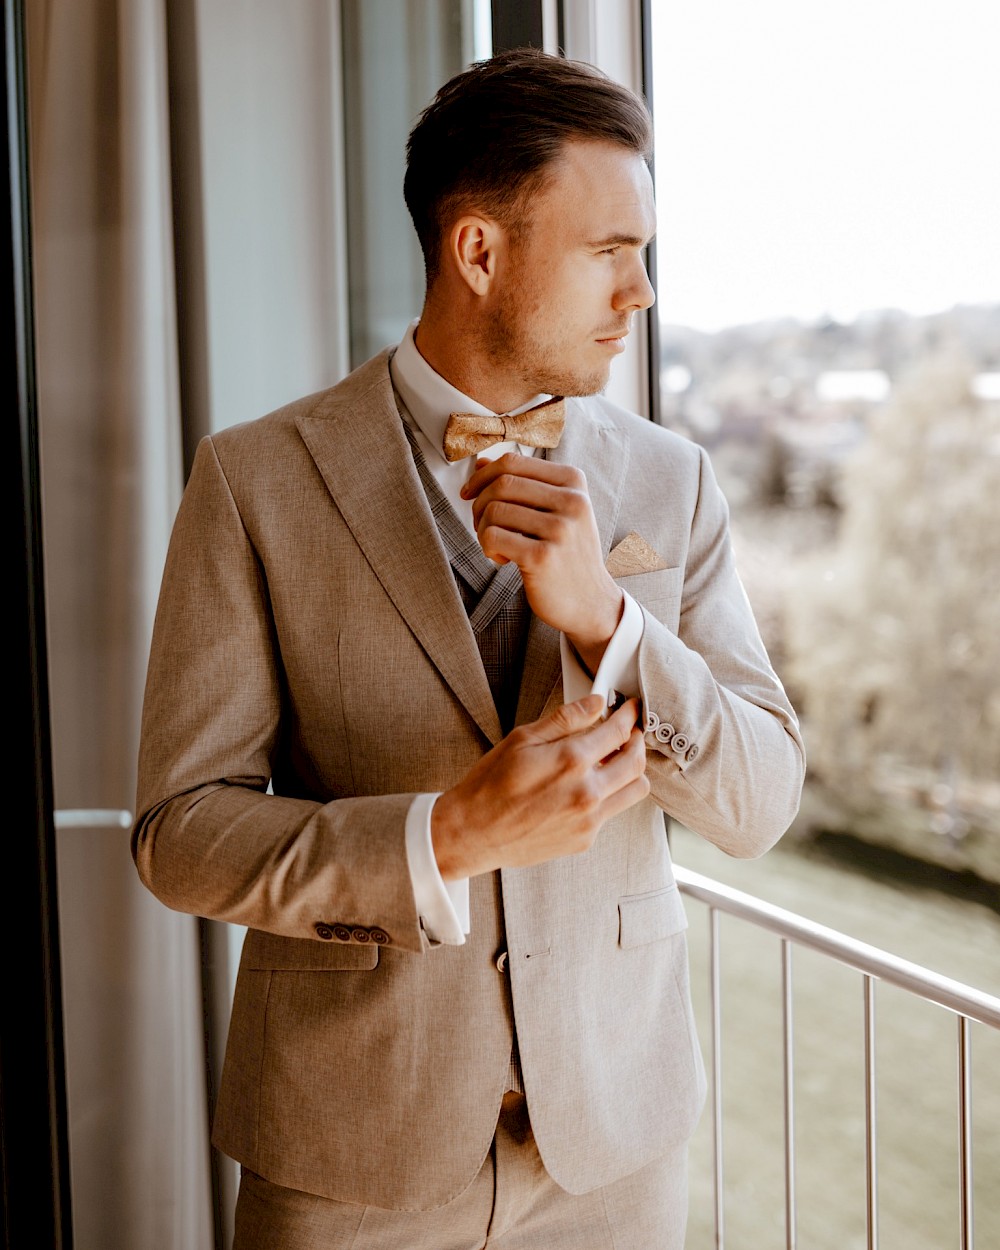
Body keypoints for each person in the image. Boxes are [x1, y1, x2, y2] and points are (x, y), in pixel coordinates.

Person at [132, 46, 804, 1249]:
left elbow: (756, 799)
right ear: (479, 251)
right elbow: (180, 833)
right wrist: (443, 837)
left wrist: (611, 619)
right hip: (348, 1154)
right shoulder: (255, 480)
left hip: (609, 1159)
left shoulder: (669, 478)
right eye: (609, 252)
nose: (639, 291)